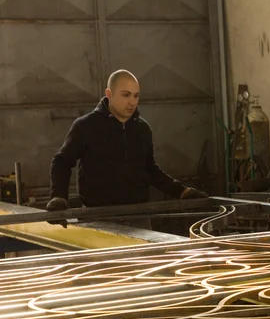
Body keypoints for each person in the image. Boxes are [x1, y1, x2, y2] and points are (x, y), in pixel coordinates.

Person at [47, 69, 206, 228]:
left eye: (136, 95)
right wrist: (59, 197)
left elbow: (149, 169)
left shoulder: (142, 129)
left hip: (139, 219)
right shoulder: (86, 126)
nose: (132, 102)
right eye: (126, 95)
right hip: (98, 220)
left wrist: (182, 192)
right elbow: (62, 161)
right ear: (109, 93)